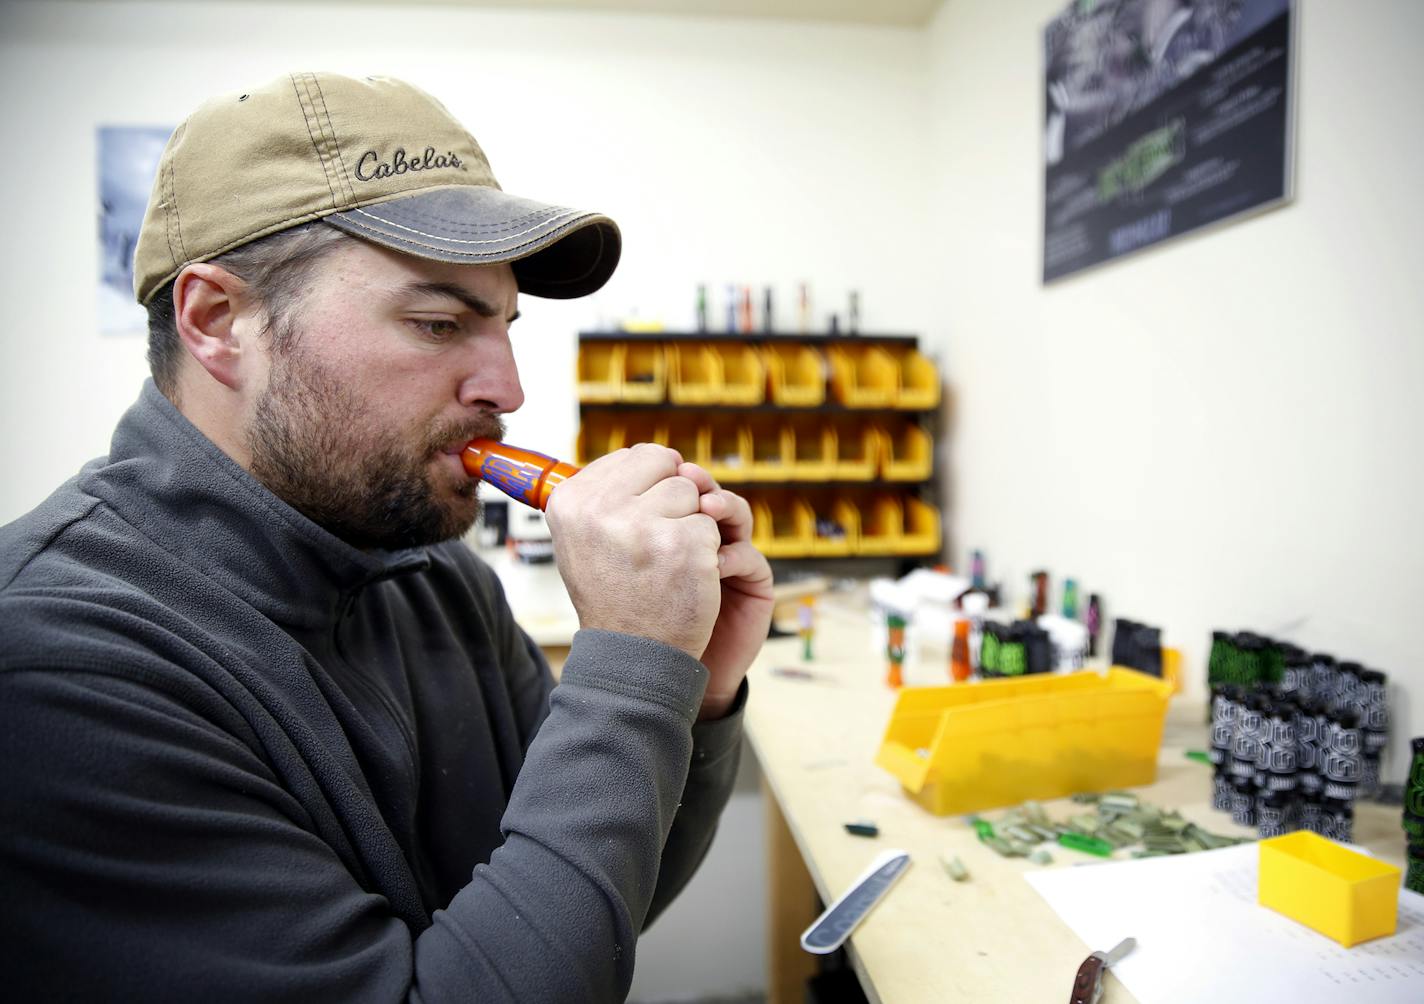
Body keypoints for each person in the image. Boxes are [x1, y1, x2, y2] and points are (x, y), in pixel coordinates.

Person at [0, 71, 773, 1002]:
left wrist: (693, 689)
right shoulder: (56, 664)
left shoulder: (436, 574)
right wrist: (627, 661)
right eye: (438, 322)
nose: (509, 390)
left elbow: (576, 918)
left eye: (503, 326)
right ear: (217, 322)